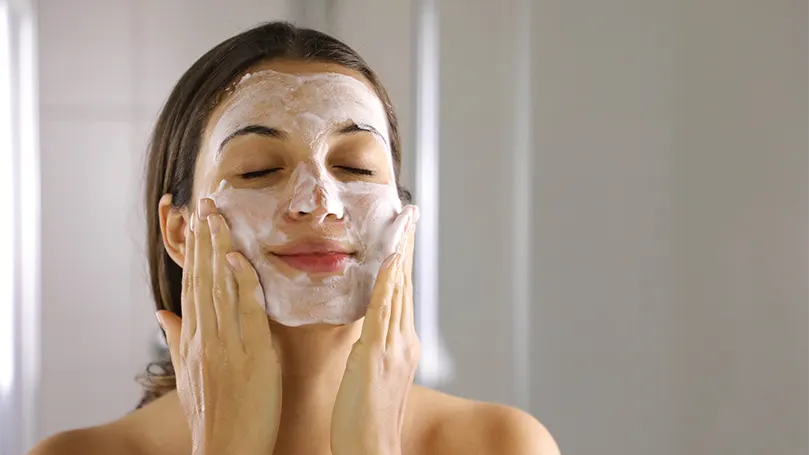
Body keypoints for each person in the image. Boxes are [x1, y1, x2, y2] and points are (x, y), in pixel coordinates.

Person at [30, 21, 559, 455]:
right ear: (180, 232)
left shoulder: (502, 445)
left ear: (401, 215)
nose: (318, 200)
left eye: (354, 165)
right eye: (259, 170)